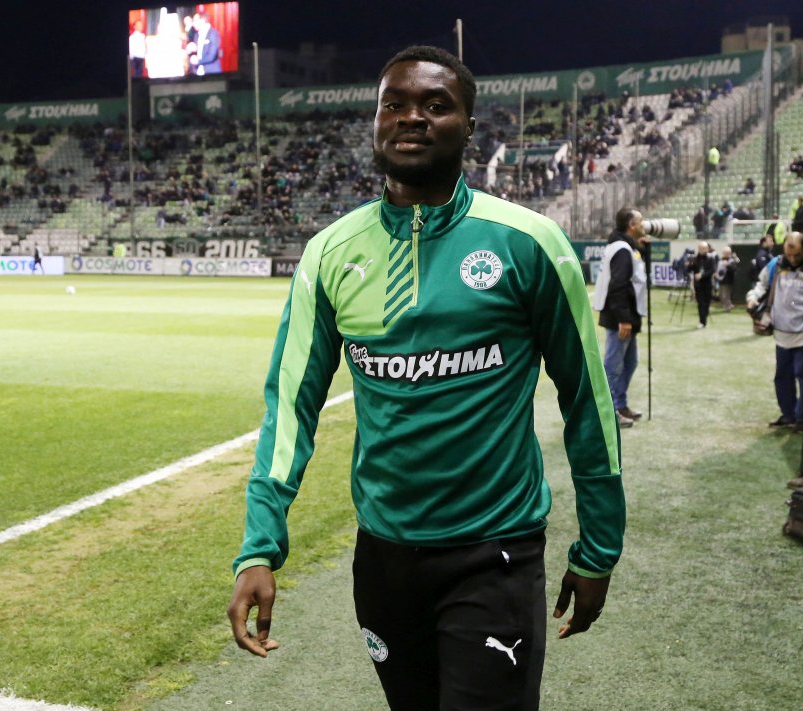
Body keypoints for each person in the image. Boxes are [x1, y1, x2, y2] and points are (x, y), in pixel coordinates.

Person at [227, 46, 626, 711]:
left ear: (469, 127)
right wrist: (258, 547)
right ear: (376, 122)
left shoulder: (529, 243)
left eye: (436, 105)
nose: (411, 117)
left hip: (494, 551)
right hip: (383, 558)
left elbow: (588, 402)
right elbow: (291, 407)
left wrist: (599, 547)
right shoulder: (329, 253)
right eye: (394, 104)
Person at [747, 232, 803, 428]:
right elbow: (761, 284)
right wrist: (753, 297)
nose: (792, 259)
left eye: (796, 254)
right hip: (781, 332)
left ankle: (802, 417)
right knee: (782, 376)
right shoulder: (777, 263)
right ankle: (788, 415)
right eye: (789, 254)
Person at [593, 206, 651, 427]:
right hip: (620, 317)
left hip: (625, 315)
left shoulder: (624, 246)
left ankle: (619, 405)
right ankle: (607, 413)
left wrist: (642, 249)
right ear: (631, 225)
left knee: (629, 363)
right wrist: (623, 319)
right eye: (641, 221)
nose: (644, 224)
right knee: (613, 365)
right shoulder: (622, 250)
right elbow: (618, 286)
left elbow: (634, 276)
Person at [691, 240, 715, 328]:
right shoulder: (695, 259)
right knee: (700, 303)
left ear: (707, 249)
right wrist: (689, 265)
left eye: (704, 248)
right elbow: (690, 269)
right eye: (701, 248)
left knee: (707, 302)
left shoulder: (711, 258)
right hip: (698, 285)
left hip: (708, 284)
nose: (703, 250)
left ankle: (704, 316)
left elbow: (712, 270)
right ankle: (702, 322)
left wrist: (702, 275)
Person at [715, 245, 739, 312]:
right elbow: (718, 269)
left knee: (726, 296)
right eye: (724, 252)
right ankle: (729, 305)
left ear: (729, 253)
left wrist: (728, 265)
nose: (725, 254)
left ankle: (727, 308)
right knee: (720, 295)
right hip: (720, 280)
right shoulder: (720, 260)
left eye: (727, 253)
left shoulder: (732, 261)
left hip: (728, 281)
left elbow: (734, 269)